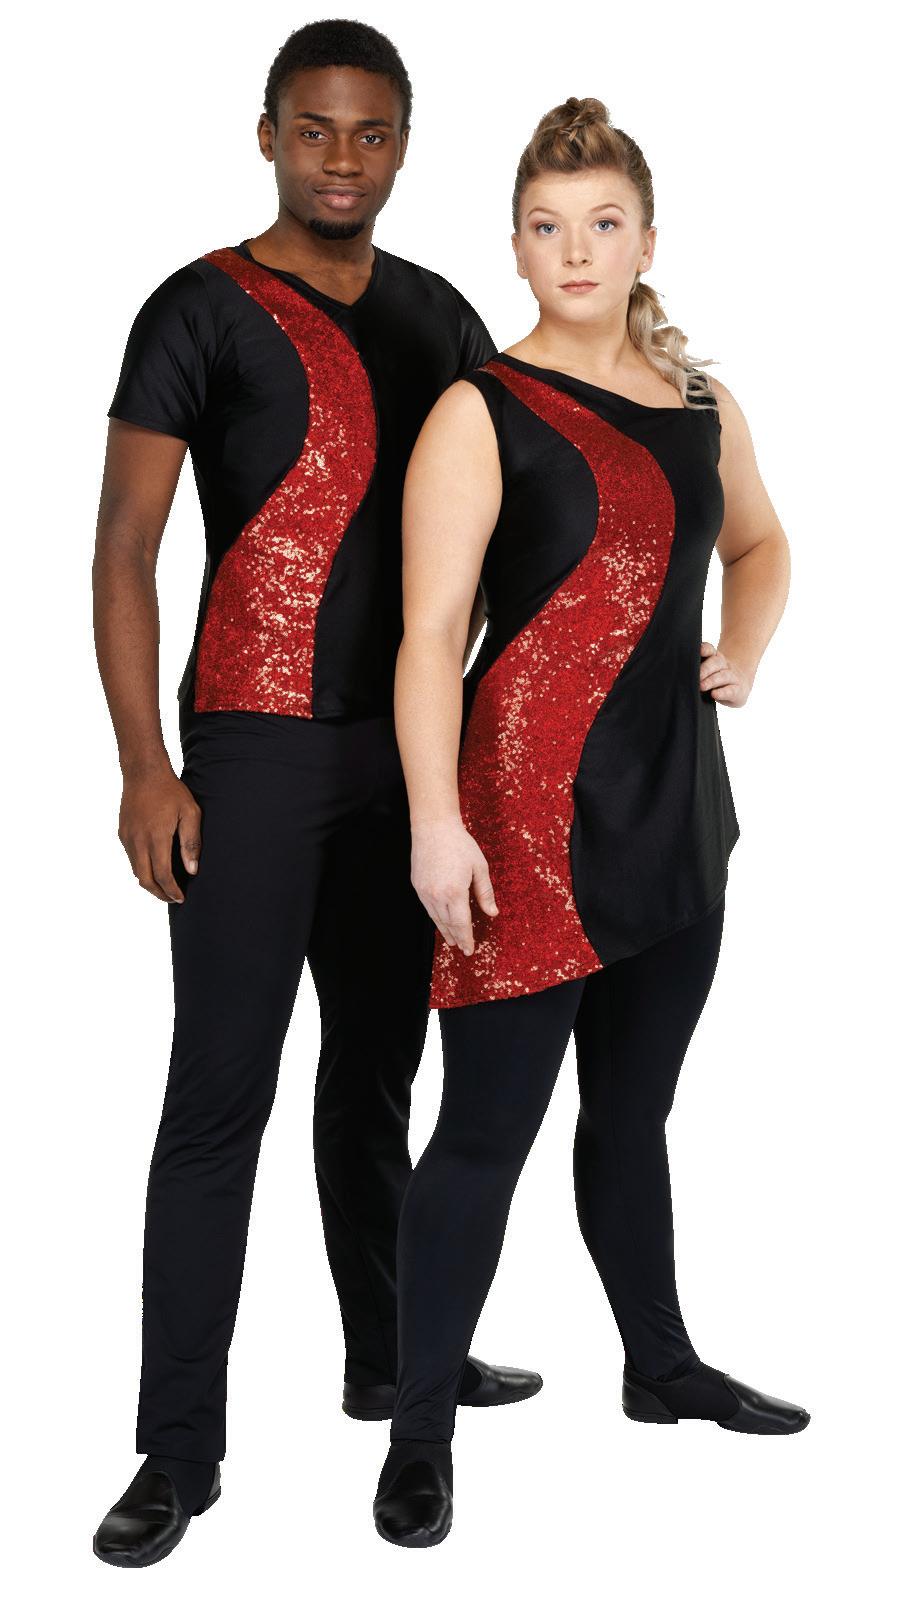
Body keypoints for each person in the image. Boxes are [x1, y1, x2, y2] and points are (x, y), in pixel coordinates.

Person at [91, 20, 541, 1571]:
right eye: (314, 130)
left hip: (406, 755)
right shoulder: (197, 307)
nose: (341, 159)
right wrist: (145, 762)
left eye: (370, 133)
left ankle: (389, 1361)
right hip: (250, 751)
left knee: (374, 1082)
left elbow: (505, 515)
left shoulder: (441, 315)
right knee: (218, 1097)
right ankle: (176, 1450)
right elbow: (122, 550)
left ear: (403, 143)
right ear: (267, 133)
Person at [372, 95, 810, 1550]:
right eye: (548, 226)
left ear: (645, 242)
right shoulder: (479, 410)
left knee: (634, 1114)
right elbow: (430, 636)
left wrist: (744, 648)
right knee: (482, 1134)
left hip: (674, 812)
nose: (575, 249)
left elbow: (763, 541)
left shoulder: (702, 405)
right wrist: (434, 821)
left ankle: (659, 1365)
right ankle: (419, 1433)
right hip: (521, 821)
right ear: (515, 245)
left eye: (602, 223)